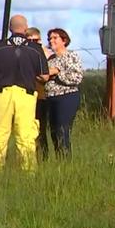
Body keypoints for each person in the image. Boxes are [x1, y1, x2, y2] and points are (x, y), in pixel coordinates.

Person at [0, 15, 49, 172]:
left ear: (10, 28)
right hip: (26, 94)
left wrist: (2, 73)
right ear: (26, 28)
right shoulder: (35, 49)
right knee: (26, 135)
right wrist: (30, 74)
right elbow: (44, 76)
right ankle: (28, 171)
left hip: (2, 93)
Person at [45, 28, 83, 159]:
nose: (51, 40)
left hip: (67, 96)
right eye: (50, 38)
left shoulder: (71, 56)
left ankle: (66, 160)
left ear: (64, 40)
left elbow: (77, 77)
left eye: (55, 38)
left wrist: (57, 73)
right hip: (51, 98)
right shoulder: (50, 59)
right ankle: (59, 159)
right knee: (54, 132)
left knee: (62, 129)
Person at [26, 27, 51, 161]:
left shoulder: (45, 53)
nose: (33, 44)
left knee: (41, 129)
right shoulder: (25, 53)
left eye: (35, 41)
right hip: (27, 95)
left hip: (41, 97)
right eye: (29, 41)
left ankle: (43, 157)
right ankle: (30, 156)